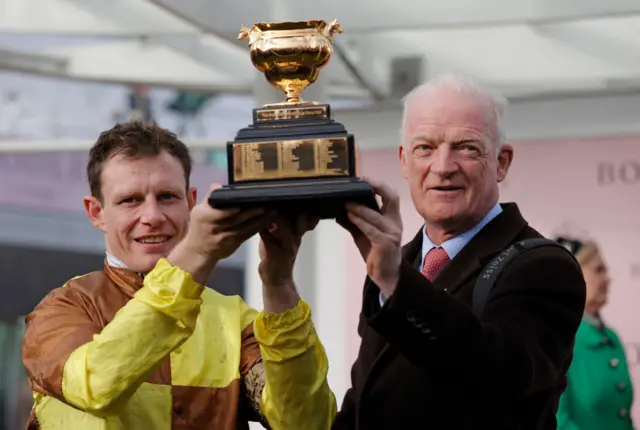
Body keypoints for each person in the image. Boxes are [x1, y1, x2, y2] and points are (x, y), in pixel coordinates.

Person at [21, 122, 336, 430]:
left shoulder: (234, 319)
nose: (153, 216)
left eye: (167, 196)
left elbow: (306, 422)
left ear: (190, 202)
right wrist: (196, 255)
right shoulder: (62, 309)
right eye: (130, 200)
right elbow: (96, 386)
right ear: (96, 212)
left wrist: (278, 284)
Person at [333, 74, 586, 429]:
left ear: (501, 162)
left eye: (467, 147)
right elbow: (365, 403)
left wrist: (395, 281)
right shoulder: (399, 262)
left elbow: (501, 375)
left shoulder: (543, 266)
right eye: (425, 148)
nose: (443, 167)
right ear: (405, 161)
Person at [555, 237, 635, 430]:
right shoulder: (560, 338)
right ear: (573, 275)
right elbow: (558, 421)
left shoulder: (612, 338)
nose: (608, 278)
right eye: (599, 270)